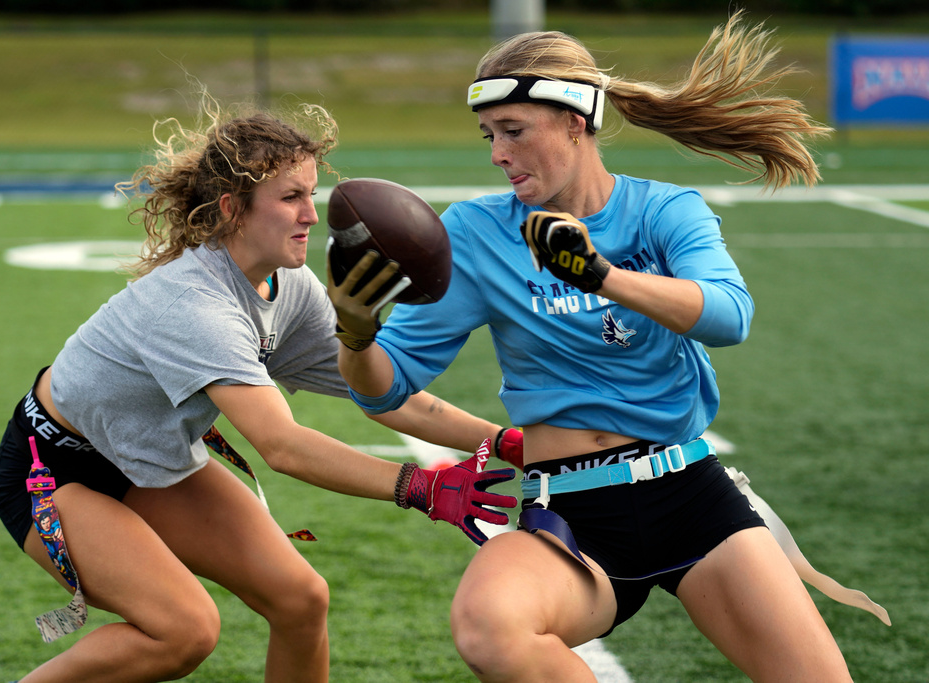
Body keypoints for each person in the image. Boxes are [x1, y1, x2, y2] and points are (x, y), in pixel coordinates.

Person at [329, 12, 855, 682]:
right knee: (489, 627)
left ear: (575, 121)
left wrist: (602, 275)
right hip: (572, 510)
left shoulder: (665, 211)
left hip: (690, 494)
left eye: (514, 131)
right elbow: (383, 387)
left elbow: (730, 316)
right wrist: (356, 331)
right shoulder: (478, 232)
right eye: (490, 135)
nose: (497, 153)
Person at [0, 93, 520, 683]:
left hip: (149, 461)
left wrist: (504, 441)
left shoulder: (286, 286)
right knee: (184, 630)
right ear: (233, 209)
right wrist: (417, 485)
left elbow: (386, 393)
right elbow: (282, 446)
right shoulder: (195, 304)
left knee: (301, 599)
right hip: (56, 473)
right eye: (290, 198)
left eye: (311, 195)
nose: (312, 216)